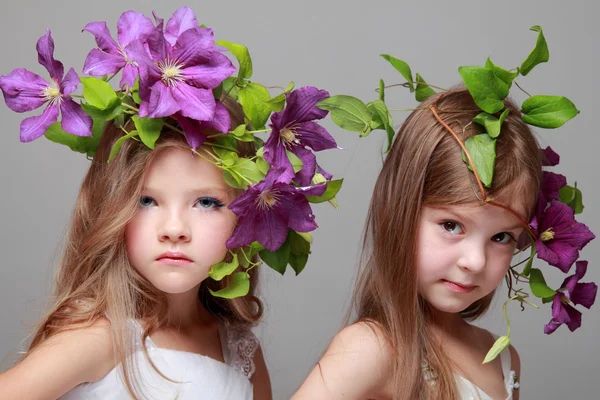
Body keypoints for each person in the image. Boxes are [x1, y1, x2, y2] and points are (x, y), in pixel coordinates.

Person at [0, 6, 352, 399]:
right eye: (147, 201)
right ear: (111, 208)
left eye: (205, 203)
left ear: (246, 215)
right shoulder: (98, 340)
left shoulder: (240, 352)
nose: (174, 230)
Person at [292, 29, 596, 400]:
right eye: (452, 226)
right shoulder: (371, 349)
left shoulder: (503, 360)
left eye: (502, 237)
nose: (474, 260)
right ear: (399, 211)